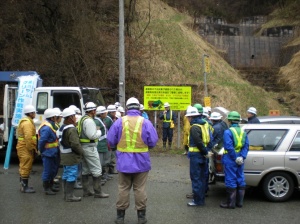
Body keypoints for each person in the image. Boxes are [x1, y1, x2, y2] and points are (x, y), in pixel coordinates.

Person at [107, 97, 158, 224]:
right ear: (138, 107)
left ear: (127, 108)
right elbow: (153, 141)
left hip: (124, 162)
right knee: (140, 189)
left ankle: (120, 217)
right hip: (141, 162)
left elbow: (111, 140)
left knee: (123, 188)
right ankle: (141, 216)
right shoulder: (145, 122)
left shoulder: (119, 122)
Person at [77, 102, 109, 198]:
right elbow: (92, 135)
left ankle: (86, 191)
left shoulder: (82, 119)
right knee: (97, 170)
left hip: (83, 146)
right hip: (89, 147)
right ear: (93, 111)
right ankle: (98, 192)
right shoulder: (90, 121)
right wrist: (99, 132)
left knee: (86, 170)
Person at [220, 111, 249, 209]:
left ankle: (230, 203)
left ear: (230, 120)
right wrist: (242, 157)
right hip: (240, 158)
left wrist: (234, 157)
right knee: (240, 179)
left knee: (231, 180)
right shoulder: (243, 132)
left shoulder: (228, 132)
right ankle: (239, 203)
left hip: (230, 158)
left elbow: (228, 146)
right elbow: (246, 146)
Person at [185, 106, 212, 207]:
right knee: (201, 178)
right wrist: (207, 151)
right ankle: (201, 198)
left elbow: (198, 142)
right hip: (203, 155)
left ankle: (198, 201)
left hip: (196, 156)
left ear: (191, 117)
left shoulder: (194, 127)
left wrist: (204, 151)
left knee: (196, 178)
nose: (187, 119)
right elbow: (209, 139)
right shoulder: (205, 124)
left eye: (188, 117)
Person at [59, 108, 84, 202]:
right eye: (73, 116)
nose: (75, 118)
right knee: (71, 175)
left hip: (64, 155)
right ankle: (69, 196)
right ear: (70, 118)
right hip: (71, 156)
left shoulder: (62, 127)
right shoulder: (71, 129)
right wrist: (82, 152)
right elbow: (75, 144)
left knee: (65, 174)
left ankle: (65, 195)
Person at [38, 108, 60, 195]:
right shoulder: (47, 128)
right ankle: (46, 188)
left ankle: (50, 185)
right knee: (48, 170)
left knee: (52, 170)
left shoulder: (50, 125)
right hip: (48, 153)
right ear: (52, 118)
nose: (56, 118)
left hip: (52, 152)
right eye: (55, 116)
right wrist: (42, 150)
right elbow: (42, 141)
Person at [16, 105, 37, 193]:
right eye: (34, 112)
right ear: (31, 113)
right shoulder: (27, 123)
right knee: (26, 166)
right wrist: (31, 148)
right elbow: (28, 137)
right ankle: (25, 187)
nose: (35, 114)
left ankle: (23, 186)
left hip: (22, 146)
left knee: (23, 165)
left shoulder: (26, 121)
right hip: (25, 147)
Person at [95, 106, 112, 185]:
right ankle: (100, 178)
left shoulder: (100, 120)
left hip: (104, 144)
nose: (106, 113)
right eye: (105, 112)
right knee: (100, 162)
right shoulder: (97, 122)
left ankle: (102, 176)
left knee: (103, 161)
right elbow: (97, 132)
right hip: (100, 145)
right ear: (101, 114)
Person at [209, 112, 228, 184]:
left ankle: (213, 178)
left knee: (214, 164)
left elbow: (212, 138)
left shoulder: (215, 127)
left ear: (213, 120)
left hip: (216, 148)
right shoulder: (224, 124)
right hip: (223, 147)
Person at [106, 104, 118, 174]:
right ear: (111, 112)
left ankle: (110, 170)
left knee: (110, 156)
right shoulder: (109, 119)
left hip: (108, 140)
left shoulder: (108, 118)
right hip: (110, 141)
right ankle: (111, 170)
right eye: (114, 112)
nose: (115, 113)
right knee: (111, 156)